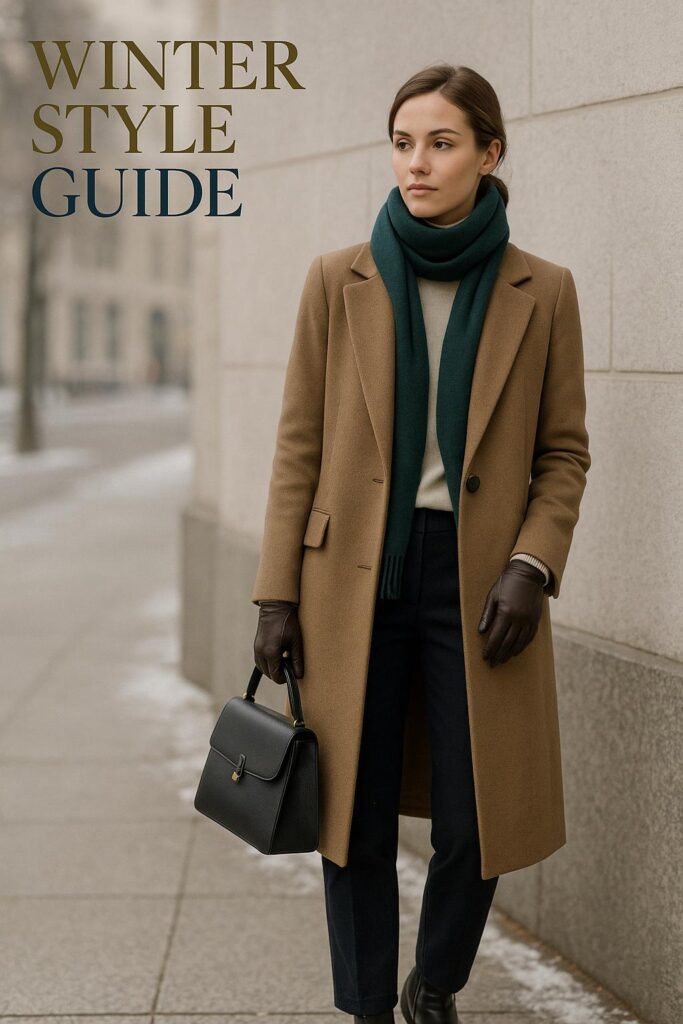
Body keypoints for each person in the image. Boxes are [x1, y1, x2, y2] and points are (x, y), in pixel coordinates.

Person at [252, 63, 591, 1024]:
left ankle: (432, 980)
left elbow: (562, 454)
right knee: (350, 815)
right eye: (403, 142)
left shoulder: (544, 291)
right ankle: (365, 1006)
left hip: (481, 580)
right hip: (351, 578)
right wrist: (275, 593)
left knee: (474, 813)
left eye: (440, 143)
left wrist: (534, 562)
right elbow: (298, 449)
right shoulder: (338, 279)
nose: (416, 163)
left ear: (489, 154)